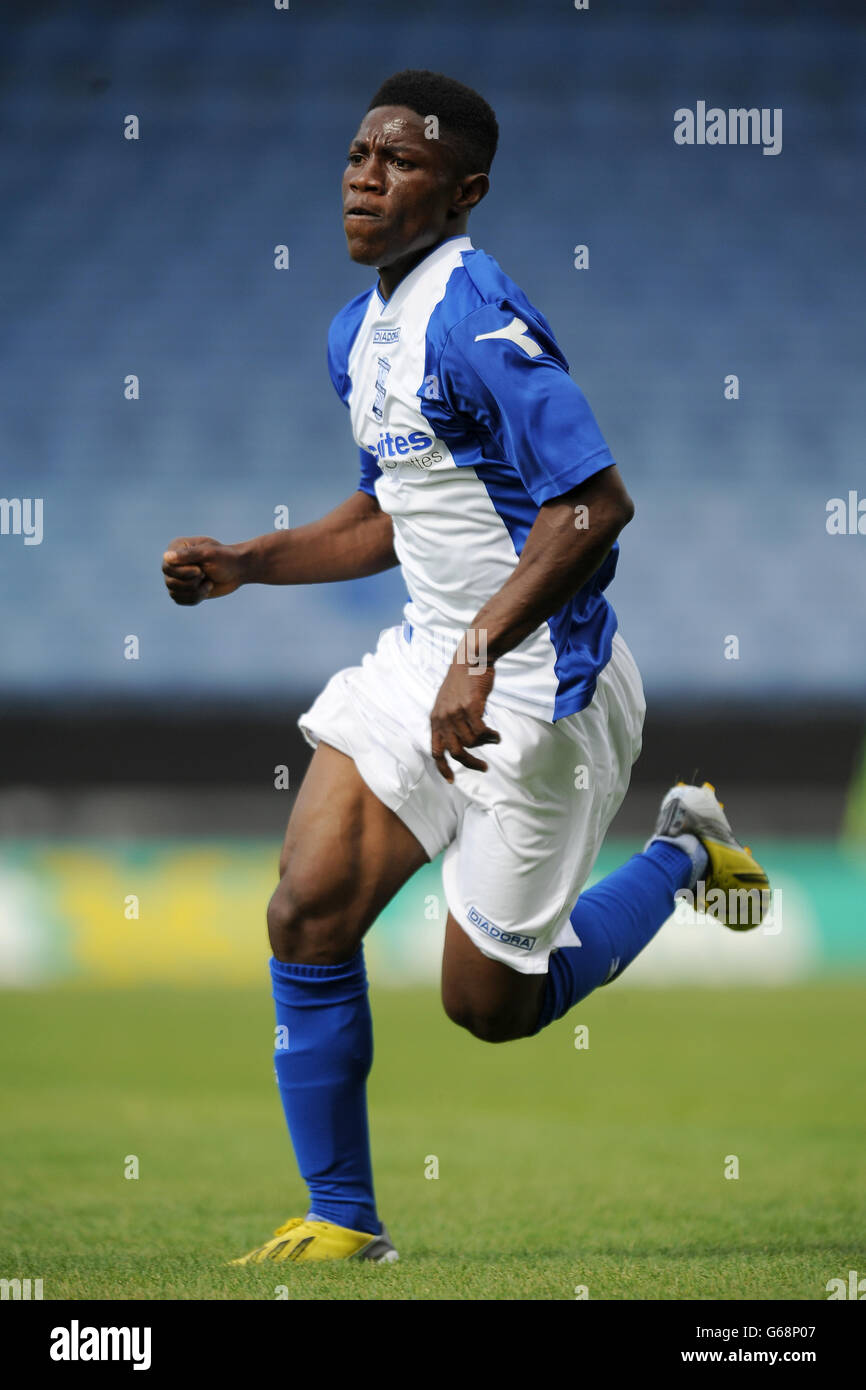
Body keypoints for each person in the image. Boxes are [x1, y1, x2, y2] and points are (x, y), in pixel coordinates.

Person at [162, 69, 770, 1265]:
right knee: (306, 906)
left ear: (464, 192)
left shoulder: (474, 316)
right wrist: (250, 559)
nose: (362, 175)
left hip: (544, 677)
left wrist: (483, 649)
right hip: (432, 658)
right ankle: (344, 1217)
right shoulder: (359, 331)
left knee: (489, 1008)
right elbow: (394, 513)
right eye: (355, 154)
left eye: (397, 161)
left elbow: (595, 504)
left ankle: (682, 847)